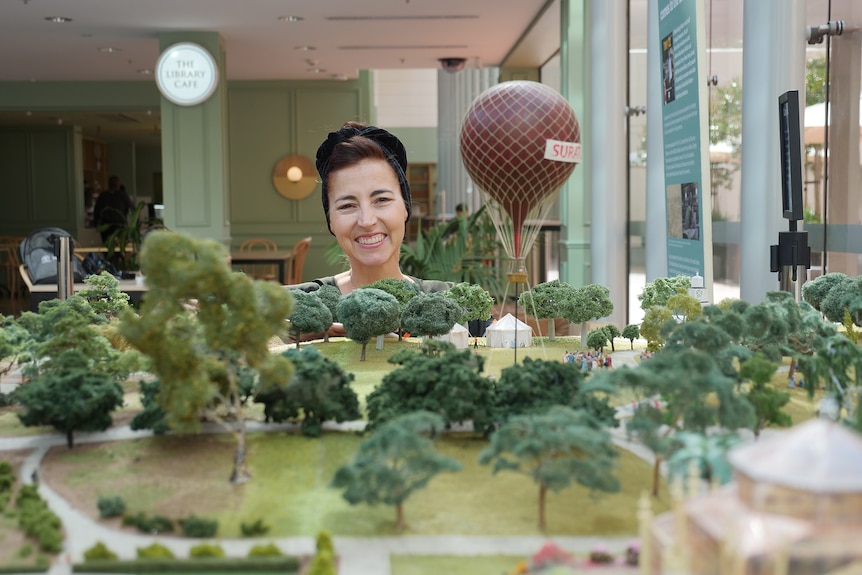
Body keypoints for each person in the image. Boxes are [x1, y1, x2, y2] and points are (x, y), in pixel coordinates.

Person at [288, 122, 453, 333]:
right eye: (347, 205)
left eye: (381, 199)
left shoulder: (452, 305)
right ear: (330, 221)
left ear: (405, 207)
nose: (367, 221)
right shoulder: (293, 309)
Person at [93, 175, 135, 243]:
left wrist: (96, 223)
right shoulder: (122, 195)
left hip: (106, 226)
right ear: (118, 184)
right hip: (119, 225)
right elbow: (132, 209)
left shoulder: (103, 195)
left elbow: (96, 211)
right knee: (121, 247)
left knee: (107, 247)